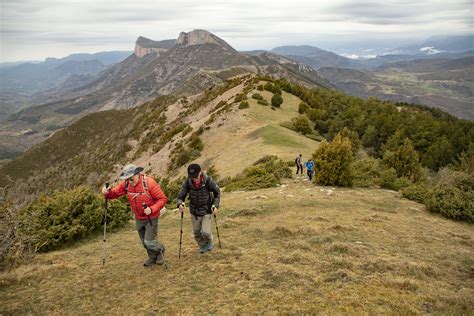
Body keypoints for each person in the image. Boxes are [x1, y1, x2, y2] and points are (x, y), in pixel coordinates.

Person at [102, 164, 167, 267]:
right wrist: (107, 192)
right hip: (138, 217)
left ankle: (161, 250)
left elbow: (162, 199)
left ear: (138, 174)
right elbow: (114, 194)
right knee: (143, 242)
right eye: (127, 179)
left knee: (149, 241)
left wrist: (152, 209)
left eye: (131, 179)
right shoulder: (127, 184)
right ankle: (152, 257)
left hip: (151, 216)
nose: (129, 182)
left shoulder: (149, 183)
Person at [177, 163, 220, 253]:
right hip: (194, 211)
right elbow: (181, 196)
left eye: (196, 176)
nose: (195, 179)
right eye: (192, 177)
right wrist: (180, 204)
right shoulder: (188, 182)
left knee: (205, 232)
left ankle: (209, 242)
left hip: (207, 210)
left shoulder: (208, 180)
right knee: (197, 233)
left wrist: (215, 205)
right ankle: (203, 245)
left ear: (200, 172)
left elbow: (217, 193)